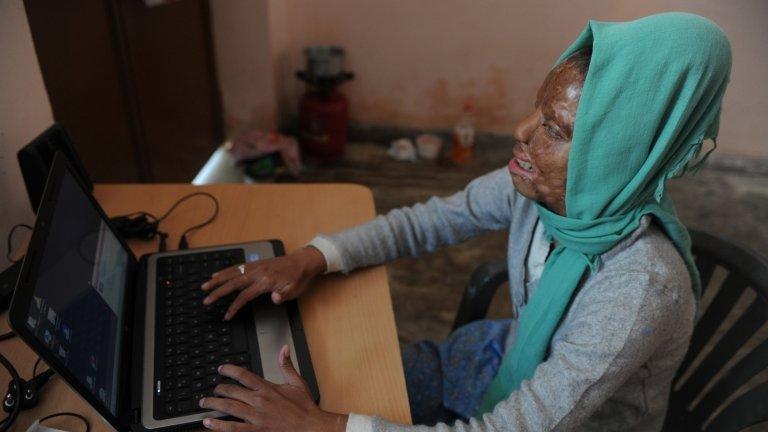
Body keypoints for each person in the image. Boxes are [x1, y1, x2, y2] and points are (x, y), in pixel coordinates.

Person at [196, 12, 731, 432]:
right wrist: (312, 257)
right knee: (341, 381)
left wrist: (324, 428)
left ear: (626, 152)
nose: (521, 132)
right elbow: (426, 223)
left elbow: (512, 429)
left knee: (333, 408)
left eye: (557, 130)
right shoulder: (541, 188)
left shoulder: (638, 290)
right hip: (505, 355)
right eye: (535, 109)